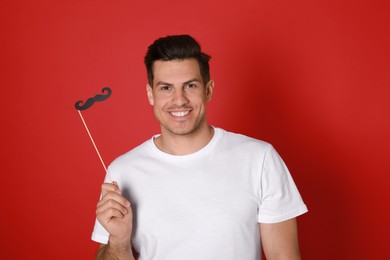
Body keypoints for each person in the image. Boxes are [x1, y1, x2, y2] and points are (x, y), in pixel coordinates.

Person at [92, 34, 308, 260]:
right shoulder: (123, 171)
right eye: (166, 88)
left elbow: (284, 256)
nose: (179, 100)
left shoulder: (259, 158)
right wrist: (119, 240)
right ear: (150, 94)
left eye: (190, 86)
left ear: (208, 90)